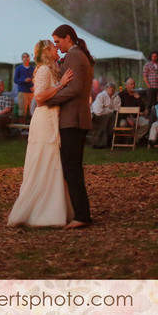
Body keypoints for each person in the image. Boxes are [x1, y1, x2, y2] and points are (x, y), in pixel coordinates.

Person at [7, 39, 75, 227]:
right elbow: (40, 97)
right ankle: (41, 210)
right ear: (47, 51)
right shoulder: (44, 70)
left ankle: (54, 208)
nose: (57, 49)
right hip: (44, 120)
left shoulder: (51, 68)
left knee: (53, 161)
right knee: (46, 160)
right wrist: (60, 85)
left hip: (53, 117)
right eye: (54, 47)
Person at [44, 24, 95, 229]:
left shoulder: (74, 56)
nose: (56, 46)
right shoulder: (81, 54)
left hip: (72, 119)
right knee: (73, 168)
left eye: (57, 42)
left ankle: (82, 215)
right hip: (78, 118)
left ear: (68, 38)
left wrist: (50, 100)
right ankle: (81, 212)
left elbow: (74, 89)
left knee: (71, 168)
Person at [90, 82, 121, 149]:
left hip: (108, 116)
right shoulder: (101, 96)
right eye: (109, 88)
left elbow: (116, 110)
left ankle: (106, 142)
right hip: (95, 115)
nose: (111, 90)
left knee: (112, 118)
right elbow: (98, 111)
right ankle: (99, 143)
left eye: (112, 88)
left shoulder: (116, 98)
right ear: (106, 89)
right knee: (107, 118)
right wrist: (109, 110)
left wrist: (105, 109)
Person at [14, 53, 35, 123]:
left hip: (31, 91)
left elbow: (35, 78)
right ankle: (22, 128)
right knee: (22, 111)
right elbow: (15, 80)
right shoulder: (19, 68)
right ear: (22, 59)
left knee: (32, 110)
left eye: (27, 57)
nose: (26, 58)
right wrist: (24, 80)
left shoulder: (32, 68)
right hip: (22, 91)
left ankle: (30, 127)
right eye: (24, 57)